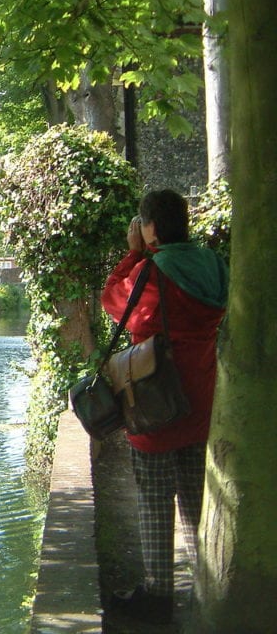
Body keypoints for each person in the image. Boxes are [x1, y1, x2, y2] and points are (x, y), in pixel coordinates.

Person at [101, 188, 228, 625]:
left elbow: (117, 305)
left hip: (155, 400)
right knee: (196, 499)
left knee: (156, 504)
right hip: (203, 396)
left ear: (150, 226)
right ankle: (204, 587)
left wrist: (134, 256)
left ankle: (157, 599)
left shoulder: (154, 270)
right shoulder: (212, 263)